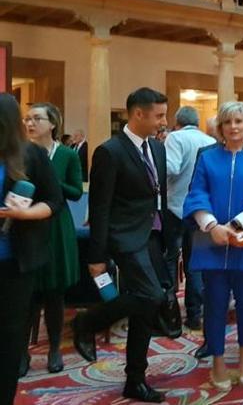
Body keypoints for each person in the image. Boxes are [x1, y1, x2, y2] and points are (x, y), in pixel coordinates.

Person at [71, 88, 171, 403]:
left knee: (148, 305)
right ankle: (87, 321)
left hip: (152, 234)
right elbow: (99, 208)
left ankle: (135, 379)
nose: (163, 121)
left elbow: (159, 193)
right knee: (151, 296)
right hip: (124, 237)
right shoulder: (110, 152)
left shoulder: (157, 148)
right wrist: (97, 256)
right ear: (138, 114)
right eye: (159, 115)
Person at [183, 101, 243, 391]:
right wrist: (212, 226)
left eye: (239, 121)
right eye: (227, 122)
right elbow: (197, 193)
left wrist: (236, 226)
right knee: (215, 303)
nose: (234, 127)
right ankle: (218, 360)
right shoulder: (208, 158)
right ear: (220, 128)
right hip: (211, 242)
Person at [0, 93, 63, 402]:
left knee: (10, 336)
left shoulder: (31, 155)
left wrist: (24, 214)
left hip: (14, 263)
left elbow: (55, 201)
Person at [21, 103, 82, 375]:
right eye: (27, 119)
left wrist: (50, 181)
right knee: (27, 294)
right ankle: (21, 352)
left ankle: (54, 348)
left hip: (57, 225)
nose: (30, 123)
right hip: (26, 225)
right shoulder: (19, 153)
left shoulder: (67, 155)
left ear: (53, 124)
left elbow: (76, 191)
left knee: (54, 293)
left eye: (36, 118)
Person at [164, 106, 215, 331]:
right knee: (196, 263)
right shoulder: (208, 140)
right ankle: (195, 314)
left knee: (169, 259)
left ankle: (169, 311)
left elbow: (171, 168)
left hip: (175, 208)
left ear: (177, 122)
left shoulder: (175, 138)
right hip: (201, 210)